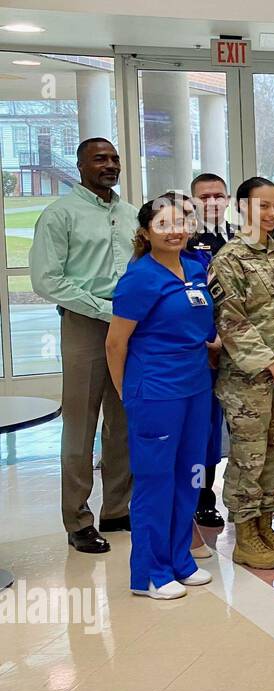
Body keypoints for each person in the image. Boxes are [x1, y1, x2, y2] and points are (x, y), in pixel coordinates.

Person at [105, 195, 215, 598]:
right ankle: (151, 573)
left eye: (181, 222)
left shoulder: (194, 268)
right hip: (155, 391)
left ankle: (180, 560)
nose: (175, 230)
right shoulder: (140, 277)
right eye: (164, 224)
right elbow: (116, 345)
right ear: (146, 231)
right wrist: (128, 397)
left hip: (195, 387)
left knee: (190, 474)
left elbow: (201, 328)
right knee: (155, 481)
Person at [30, 137, 135, 554]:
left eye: (114, 158)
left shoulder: (129, 215)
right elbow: (47, 279)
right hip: (84, 325)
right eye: (99, 159)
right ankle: (77, 519)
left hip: (128, 326)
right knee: (80, 425)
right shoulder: (60, 215)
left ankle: (116, 509)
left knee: (123, 421)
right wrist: (102, 310)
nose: (110, 165)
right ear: (79, 166)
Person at [209, 177, 274, 570]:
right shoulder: (229, 259)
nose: (270, 214)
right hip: (249, 379)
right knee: (249, 457)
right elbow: (230, 320)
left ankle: (266, 525)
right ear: (241, 209)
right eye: (261, 206)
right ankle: (245, 535)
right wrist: (272, 363)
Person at [185, 174, 234, 542]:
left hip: (240, 346)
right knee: (203, 432)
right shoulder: (184, 241)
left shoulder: (239, 236)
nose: (212, 202)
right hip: (204, 348)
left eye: (219, 195)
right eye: (205, 196)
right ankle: (203, 496)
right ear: (193, 200)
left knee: (240, 429)